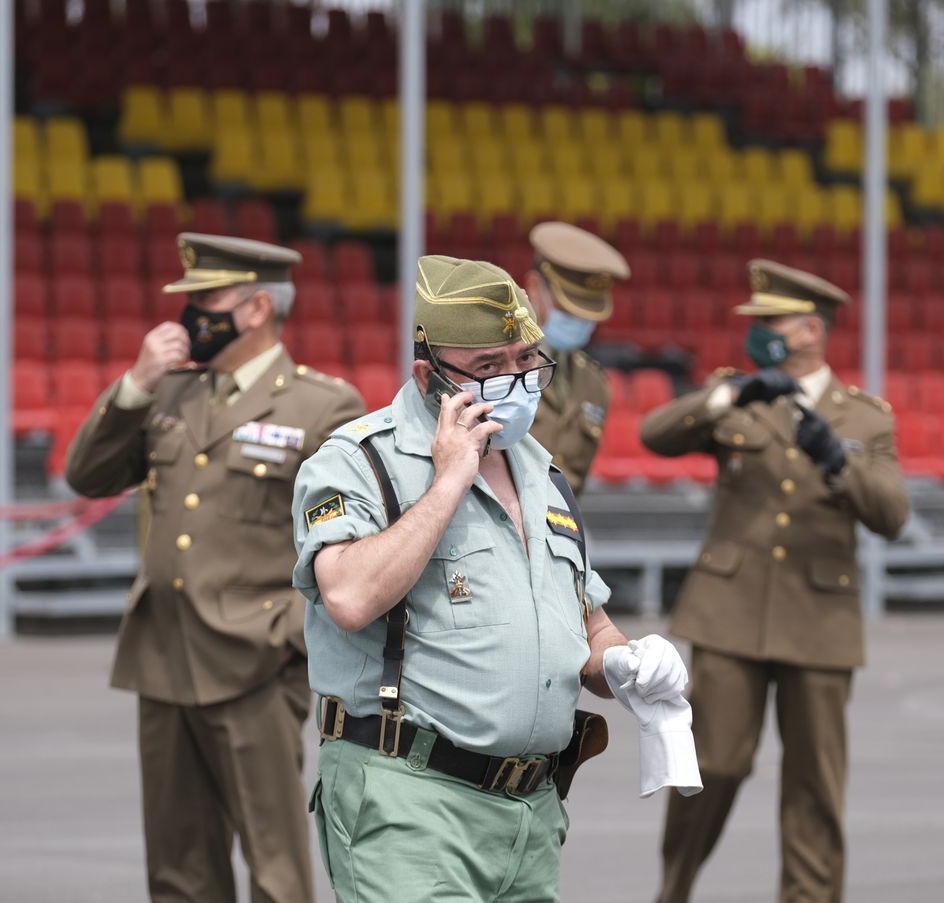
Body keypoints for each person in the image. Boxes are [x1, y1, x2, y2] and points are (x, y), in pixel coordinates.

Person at [292, 254, 688, 901]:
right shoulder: (361, 460)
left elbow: (586, 620)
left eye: (526, 360)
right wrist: (449, 477)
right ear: (427, 375)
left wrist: (625, 663)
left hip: (529, 817)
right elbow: (349, 594)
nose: (517, 380)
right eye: (488, 368)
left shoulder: (538, 468)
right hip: (408, 800)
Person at [64, 233, 364, 903]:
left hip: (253, 663)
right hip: (164, 655)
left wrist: (288, 631)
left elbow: (350, 545)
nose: (191, 311)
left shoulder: (321, 405)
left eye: (207, 298)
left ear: (257, 308)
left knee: (275, 868)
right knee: (177, 870)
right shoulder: (170, 392)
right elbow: (86, 473)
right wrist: (135, 384)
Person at [641, 260, 910, 902]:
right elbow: (656, 435)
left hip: (818, 620)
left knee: (814, 783)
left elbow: (893, 514)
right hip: (730, 613)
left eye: (772, 322)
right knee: (712, 765)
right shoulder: (736, 392)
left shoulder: (864, 419)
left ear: (812, 330)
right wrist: (730, 396)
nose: (759, 332)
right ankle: (672, 890)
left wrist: (837, 461)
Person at [522, 221, 630, 494]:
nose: (579, 321)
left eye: (587, 313)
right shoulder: (493, 368)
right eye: (567, 309)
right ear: (534, 289)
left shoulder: (594, 384)